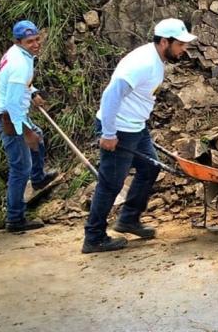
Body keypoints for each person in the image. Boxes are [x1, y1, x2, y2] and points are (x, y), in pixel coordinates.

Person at [83, 18, 197, 254]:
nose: (183, 49)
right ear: (165, 41)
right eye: (180, 44)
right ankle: (93, 237)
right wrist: (109, 132)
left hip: (136, 128)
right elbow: (111, 95)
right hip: (120, 129)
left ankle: (128, 219)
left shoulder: (156, 58)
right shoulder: (142, 62)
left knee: (149, 168)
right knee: (110, 182)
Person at [0, 20, 58, 232]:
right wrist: (25, 132)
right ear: (18, 42)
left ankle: (38, 179)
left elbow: (20, 83)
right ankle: (15, 219)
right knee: (20, 168)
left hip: (12, 112)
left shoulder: (18, 55)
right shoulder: (19, 63)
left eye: (37, 39)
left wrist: (33, 92)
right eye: (30, 41)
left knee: (39, 135)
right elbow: (11, 105)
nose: (36, 44)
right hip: (7, 117)